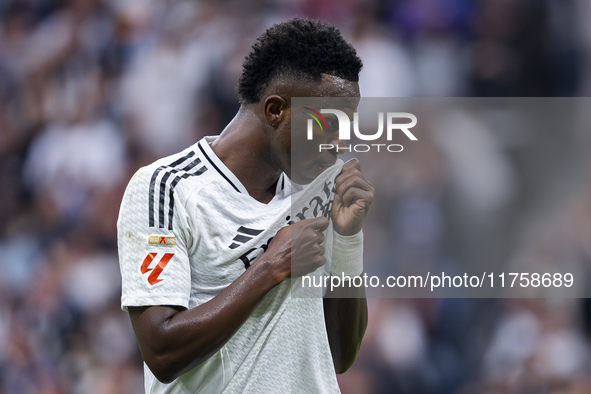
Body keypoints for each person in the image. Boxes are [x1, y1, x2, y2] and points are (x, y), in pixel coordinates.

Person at [117, 17, 374, 393]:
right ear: (275, 111)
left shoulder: (321, 192)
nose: (341, 145)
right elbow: (162, 352)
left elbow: (340, 354)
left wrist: (348, 238)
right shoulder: (167, 187)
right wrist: (269, 266)